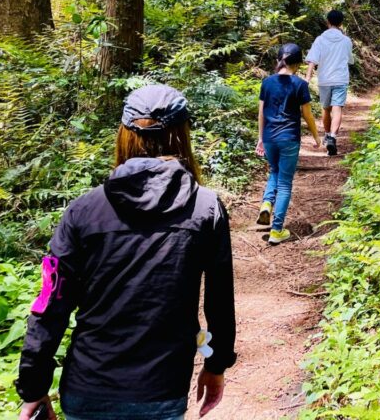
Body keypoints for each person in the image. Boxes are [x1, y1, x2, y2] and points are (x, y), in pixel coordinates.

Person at [16, 85, 236, 420]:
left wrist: (33, 386)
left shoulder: (84, 210)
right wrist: (215, 364)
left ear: (124, 135)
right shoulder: (205, 208)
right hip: (161, 388)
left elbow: (51, 304)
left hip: (87, 387)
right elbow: (220, 300)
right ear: (182, 134)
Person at [256, 43, 322, 243]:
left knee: (274, 172)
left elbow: (261, 113)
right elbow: (307, 115)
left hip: (269, 137)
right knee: (285, 183)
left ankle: (267, 203)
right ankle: (276, 231)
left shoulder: (267, 83)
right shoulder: (300, 84)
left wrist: (260, 138)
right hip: (289, 138)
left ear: (279, 60)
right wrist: (317, 136)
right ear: (298, 62)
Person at [305, 9, 354, 157]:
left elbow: (312, 60)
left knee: (326, 109)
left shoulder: (320, 39)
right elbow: (350, 59)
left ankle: (327, 135)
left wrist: (307, 78)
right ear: (341, 23)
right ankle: (333, 136)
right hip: (340, 79)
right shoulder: (346, 40)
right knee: (337, 108)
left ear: (328, 21)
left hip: (325, 79)